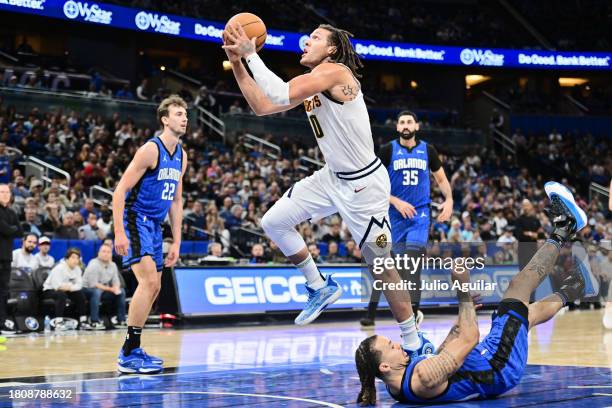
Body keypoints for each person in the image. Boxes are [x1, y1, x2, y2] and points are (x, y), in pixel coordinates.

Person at [223, 23, 433, 356]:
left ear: (332, 49)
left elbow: (277, 92)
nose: (307, 41)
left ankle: (413, 339)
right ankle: (318, 286)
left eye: (316, 38)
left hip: (364, 184)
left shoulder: (336, 73)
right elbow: (263, 106)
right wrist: (237, 63)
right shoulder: (313, 82)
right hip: (332, 177)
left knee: (381, 266)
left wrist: (251, 54)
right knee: (273, 222)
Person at [354, 181, 599, 404]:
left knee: (526, 315)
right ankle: (565, 228)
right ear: (385, 366)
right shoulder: (424, 377)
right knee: (517, 290)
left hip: (486, 360)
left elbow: (448, 349)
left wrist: (462, 316)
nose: (397, 344)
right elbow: (470, 338)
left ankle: (577, 286)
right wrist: (462, 290)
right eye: (391, 346)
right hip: (498, 365)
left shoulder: (395, 384)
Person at [112, 95, 187, 374]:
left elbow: (177, 201)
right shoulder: (150, 150)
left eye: (186, 114)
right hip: (135, 219)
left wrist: (176, 241)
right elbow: (119, 191)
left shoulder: (182, 155)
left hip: (155, 226)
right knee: (147, 283)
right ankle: (129, 351)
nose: (184, 118)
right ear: (165, 120)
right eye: (178, 114)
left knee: (154, 287)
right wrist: (120, 231)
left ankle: (133, 349)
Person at [361, 110, 453, 327]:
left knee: (412, 264)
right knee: (387, 266)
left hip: (420, 214)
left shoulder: (428, 150)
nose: (405, 125)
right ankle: (371, 313)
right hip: (393, 215)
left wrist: (449, 199)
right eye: (402, 122)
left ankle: (414, 315)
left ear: (416, 126)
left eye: (409, 121)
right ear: (397, 127)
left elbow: (441, 178)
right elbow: (375, 184)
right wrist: (395, 201)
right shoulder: (387, 150)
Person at [42, 248, 90, 331]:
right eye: (73, 257)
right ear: (67, 259)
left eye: (77, 258)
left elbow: (79, 285)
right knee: (61, 294)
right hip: (49, 290)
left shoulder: (78, 269)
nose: (75, 260)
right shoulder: (59, 268)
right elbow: (57, 286)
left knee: (80, 294)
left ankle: (83, 321)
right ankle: (58, 322)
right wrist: (70, 286)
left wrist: (69, 287)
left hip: (67, 290)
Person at [83, 243, 126, 330]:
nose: (106, 254)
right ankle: (94, 321)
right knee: (96, 292)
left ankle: (121, 320)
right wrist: (111, 289)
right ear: (99, 253)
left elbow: (116, 281)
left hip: (103, 290)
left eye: (108, 252)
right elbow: (93, 284)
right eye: (103, 251)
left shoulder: (113, 265)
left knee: (121, 291)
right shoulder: (93, 264)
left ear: (111, 254)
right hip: (87, 289)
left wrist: (116, 288)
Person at [0, 184, 22, 334]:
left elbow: (19, 231)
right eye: (2, 192)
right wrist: (10, 229)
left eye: (7, 192)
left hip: (6, 257)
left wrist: (10, 229)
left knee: (3, 291)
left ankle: (2, 322)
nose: (5, 194)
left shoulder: (12, 212)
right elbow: (7, 229)